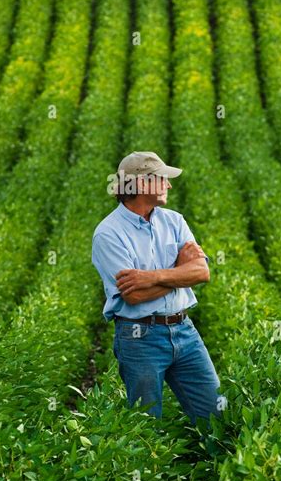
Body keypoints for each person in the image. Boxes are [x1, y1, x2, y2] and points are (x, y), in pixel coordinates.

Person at [91, 151, 225, 425]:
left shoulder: (174, 221)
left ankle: (220, 465)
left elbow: (201, 271)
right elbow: (134, 295)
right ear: (141, 185)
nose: (169, 185)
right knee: (146, 426)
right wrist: (179, 272)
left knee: (217, 415)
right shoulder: (108, 233)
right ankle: (146, 471)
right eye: (163, 179)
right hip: (139, 337)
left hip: (185, 331)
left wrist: (151, 277)